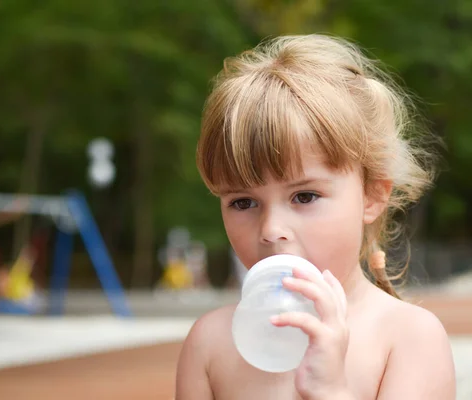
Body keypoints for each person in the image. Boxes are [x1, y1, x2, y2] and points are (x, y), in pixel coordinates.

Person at [176, 34, 455, 400]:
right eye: (243, 202)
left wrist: (332, 392)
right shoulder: (210, 343)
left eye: (304, 196)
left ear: (372, 195)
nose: (271, 230)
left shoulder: (408, 338)